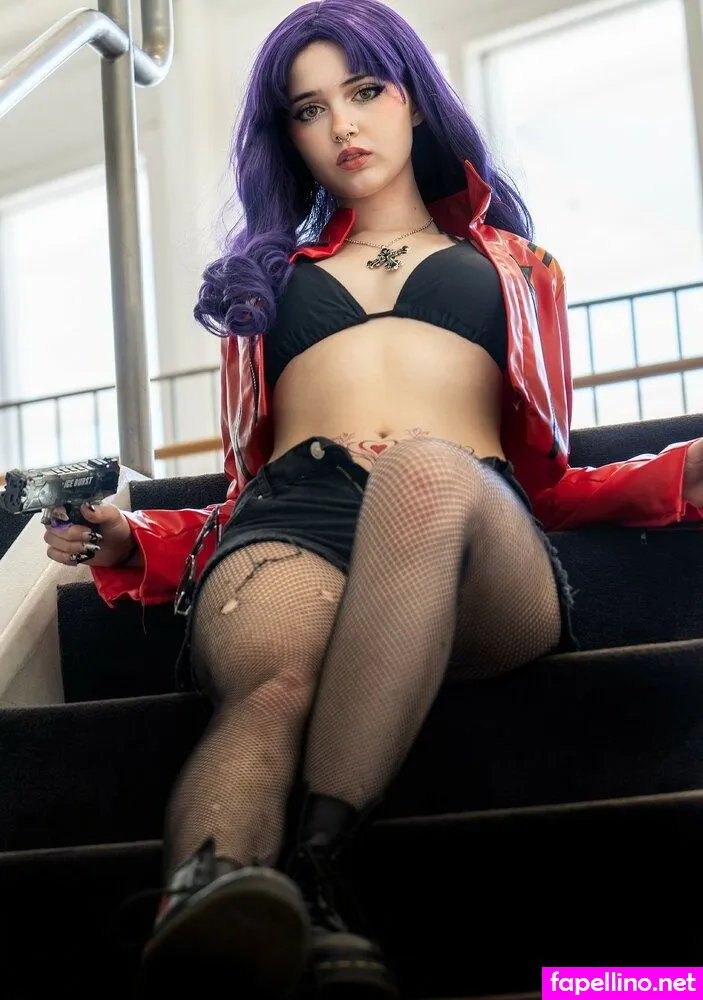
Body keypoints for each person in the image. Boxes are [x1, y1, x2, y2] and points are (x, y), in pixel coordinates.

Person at [43, 0, 703, 995]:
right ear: (289, 135)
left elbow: (550, 481)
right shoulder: (262, 287)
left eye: (363, 92)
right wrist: (132, 536)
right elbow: (239, 491)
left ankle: (313, 870)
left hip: (464, 523)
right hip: (293, 515)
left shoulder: (518, 268)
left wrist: (681, 470)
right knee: (272, 680)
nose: (341, 125)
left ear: (414, 100)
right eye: (309, 109)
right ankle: (206, 909)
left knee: (423, 471)